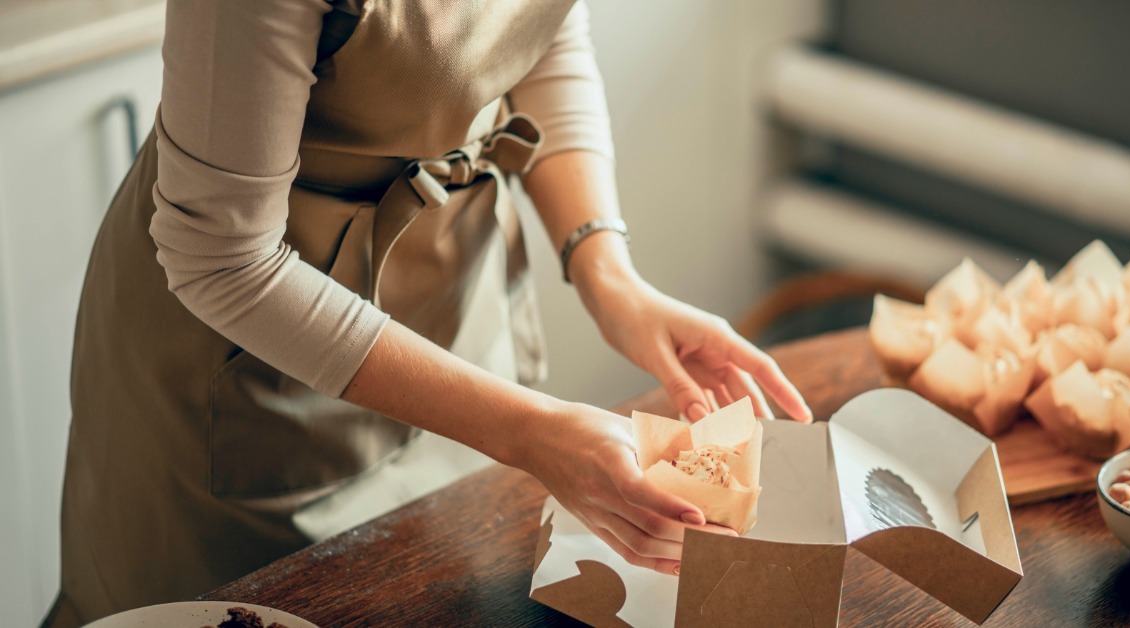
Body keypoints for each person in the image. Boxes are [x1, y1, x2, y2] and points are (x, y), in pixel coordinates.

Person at [43, 1, 811, 625]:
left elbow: (544, 32)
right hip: (246, 362)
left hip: (448, 324)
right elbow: (223, 261)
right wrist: (533, 432)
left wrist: (609, 276)